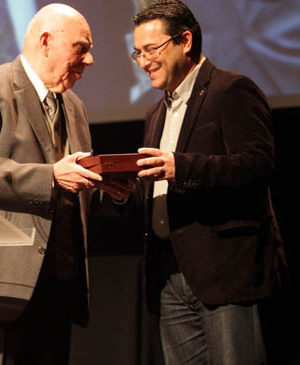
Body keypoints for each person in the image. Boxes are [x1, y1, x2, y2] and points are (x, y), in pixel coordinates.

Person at [0, 4, 126, 364]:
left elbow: (75, 189)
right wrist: (51, 176)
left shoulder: (74, 106)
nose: (89, 60)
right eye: (81, 47)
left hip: (59, 284)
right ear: (45, 42)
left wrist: (112, 192)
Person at [123, 1, 286, 363]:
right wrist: (121, 192)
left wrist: (182, 167)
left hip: (226, 274)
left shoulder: (231, 91)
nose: (144, 61)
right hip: (168, 275)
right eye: (137, 53)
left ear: (185, 40)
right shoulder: (155, 112)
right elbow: (157, 184)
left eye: (152, 50)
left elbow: (257, 165)